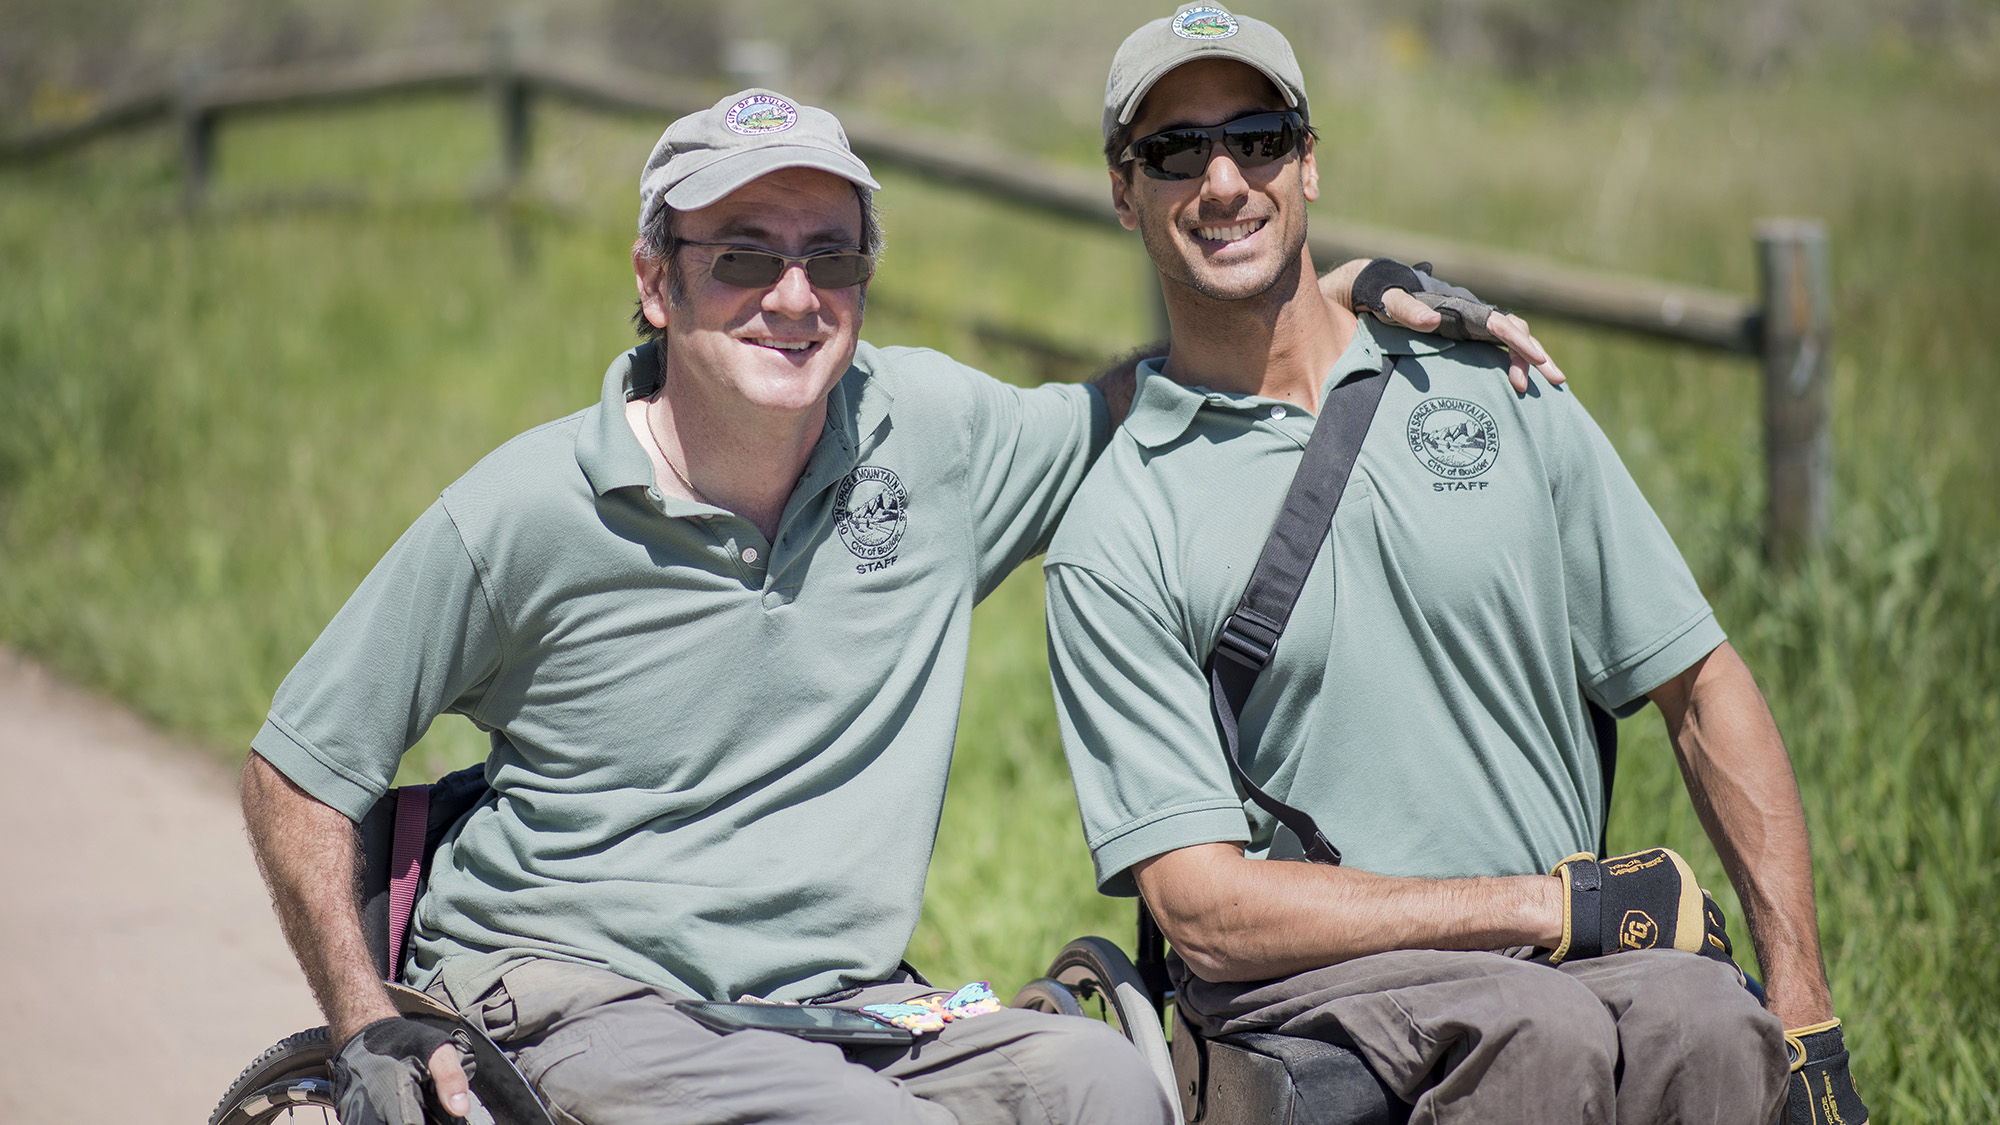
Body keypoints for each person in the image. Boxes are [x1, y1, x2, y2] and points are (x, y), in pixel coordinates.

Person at [239, 88, 1542, 1125]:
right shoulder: (521, 511)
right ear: (656, 279)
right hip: (583, 996)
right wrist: (363, 1022)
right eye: (742, 256)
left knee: (1108, 1089)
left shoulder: (928, 431)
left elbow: (1145, 397)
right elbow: (299, 768)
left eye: (832, 256)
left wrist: (1344, 289)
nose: (795, 297)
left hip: (844, 1007)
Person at [1043, 6, 1868, 1124]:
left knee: (1708, 1023)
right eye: (1175, 151)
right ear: (1121, 190)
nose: (1224, 180)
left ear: (1310, 161)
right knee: (1539, 1033)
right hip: (1320, 984)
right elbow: (1202, 911)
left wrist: (1804, 1011)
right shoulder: (1119, 520)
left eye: (1260, 137)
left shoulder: (1495, 389)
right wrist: (1545, 906)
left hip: (1570, 952)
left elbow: (1698, 683)